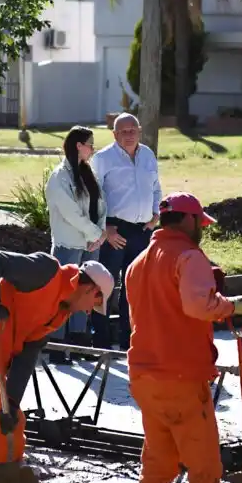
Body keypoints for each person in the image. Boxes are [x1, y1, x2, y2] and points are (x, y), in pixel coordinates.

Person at [124, 192, 242, 483]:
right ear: (187, 221)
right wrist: (232, 306)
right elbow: (198, 305)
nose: (202, 229)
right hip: (181, 375)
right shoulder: (189, 255)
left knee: (158, 454)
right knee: (203, 464)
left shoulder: (137, 263)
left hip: (144, 375)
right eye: (200, 222)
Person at [0, 249, 114, 483]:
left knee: (12, 423)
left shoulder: (59, 314)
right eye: (95, 304)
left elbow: (27, 357)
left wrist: (12, 401)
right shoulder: (45, 271)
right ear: (90, 290)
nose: (90, 311)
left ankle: (7, 479)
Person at [90, 112, 162, 350]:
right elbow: (93, 195)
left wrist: (155, 214)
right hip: (114, 230)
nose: (129, 135)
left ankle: (127, 341)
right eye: (124, 131)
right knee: (105, 286)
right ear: (114, 134)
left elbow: (156, 187)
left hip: (142, 231)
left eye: (133, 130)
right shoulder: (103, 159)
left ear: (139, 131)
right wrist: (105, 228)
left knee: (134, 287)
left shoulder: (148, 155)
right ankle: (100, 342)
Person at [44, 125, 107, 362]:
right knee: (64, 294)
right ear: (78, 146)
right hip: (68, 245)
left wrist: (99, 234)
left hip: (91, 244)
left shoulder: (89, 174)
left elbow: (101, 205)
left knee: (88, 292)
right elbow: (70, 213)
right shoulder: (59, 177)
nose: (93, 148)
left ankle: (81, 342)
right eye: (90, 143)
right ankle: (57, 347)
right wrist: (95, 234)